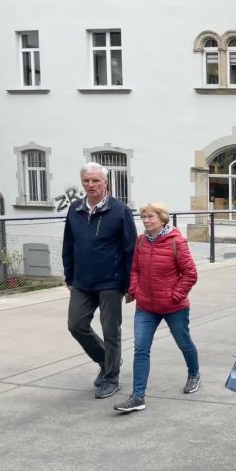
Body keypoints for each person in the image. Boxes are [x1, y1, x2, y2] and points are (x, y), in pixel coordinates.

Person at [114, 203, 199, 413]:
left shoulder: (176, 241)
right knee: (141, 348)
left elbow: (190, 274)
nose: (146, 220)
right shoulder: (141, 241)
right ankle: (137, 396)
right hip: (146, 306)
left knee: (184, 343)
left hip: (173, 307)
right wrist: (135, 289)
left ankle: (194, 373)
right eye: (143, 217)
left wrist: (174, 296)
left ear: (162, 219)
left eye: (150, 217)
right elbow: (134, 269)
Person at [62, 162, 137, 399]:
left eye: (96, 180)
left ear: (106, 183)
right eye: (86, 181)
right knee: (76, 325)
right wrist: (69, 276)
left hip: (111, 281)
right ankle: (106, 360)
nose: (91, 185)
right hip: (81, 281)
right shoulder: (75, 209)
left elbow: (130, 250)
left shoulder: (120, 211)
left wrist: (130, 284)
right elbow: (68, 245)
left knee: (110, 331)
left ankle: (111, 378)